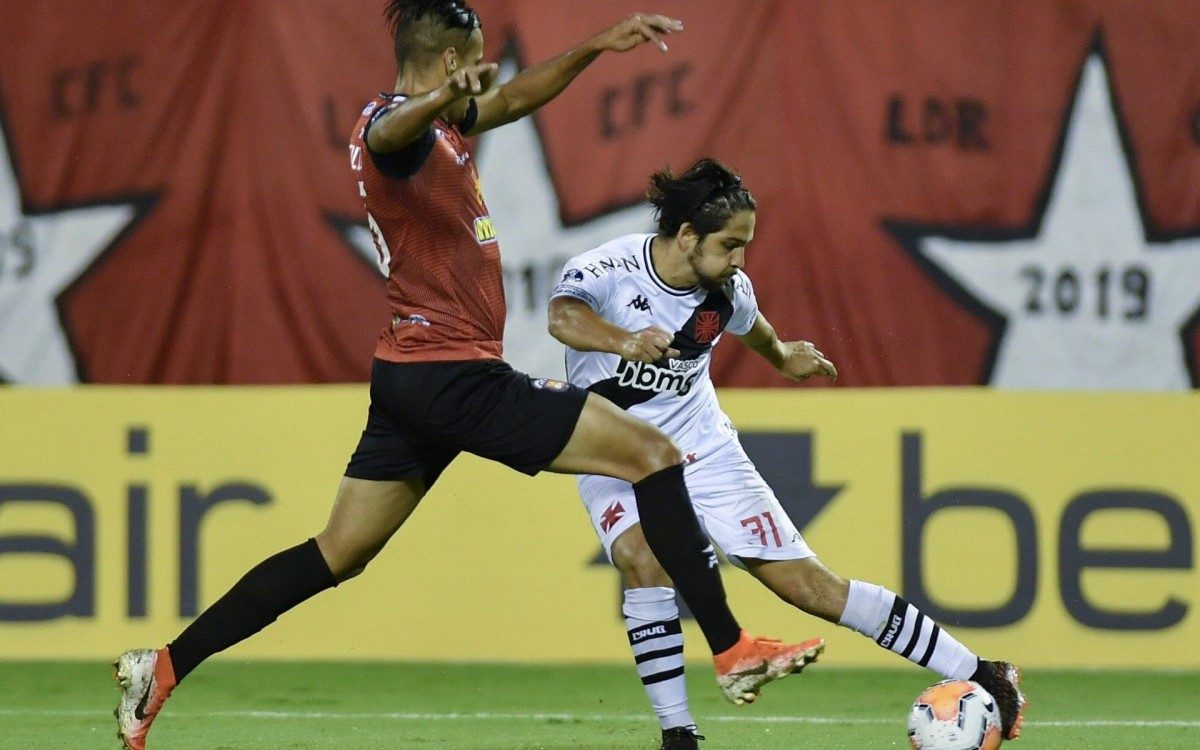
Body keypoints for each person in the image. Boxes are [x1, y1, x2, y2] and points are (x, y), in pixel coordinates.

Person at [112, 4, 820, 749]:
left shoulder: (443, 129)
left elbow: (512, 99)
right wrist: (441, 101)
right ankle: (732, 645)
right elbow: (390, 133)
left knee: (337, 552)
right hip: (456, 375)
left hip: (409, 377)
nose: (484, 76)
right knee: (653, 453)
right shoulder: (395, 132)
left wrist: (597, 47)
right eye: (475, 61)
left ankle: (162, 665)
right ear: (451, 61)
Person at [547, 158, 1028, 750]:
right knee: (641, 558)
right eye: (731, 245)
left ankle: (983, 673)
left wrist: (783, 358)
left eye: (746, 245)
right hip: (611, 449)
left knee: (811, 589)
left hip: (701, 449)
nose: (741, 260)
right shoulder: (607, 269)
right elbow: (562, 317)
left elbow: (758, 333)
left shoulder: (726, 291)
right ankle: (679, 735)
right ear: (687, 235)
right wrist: (623, 340)